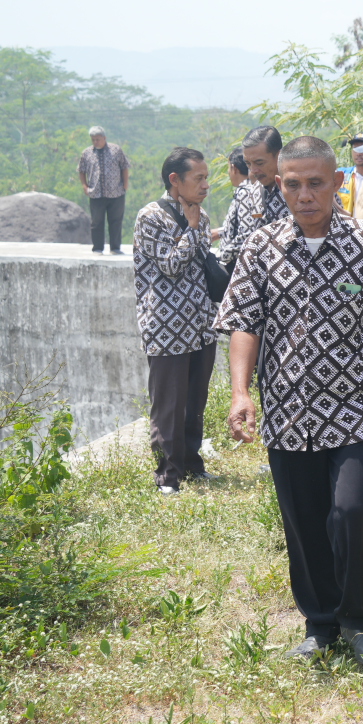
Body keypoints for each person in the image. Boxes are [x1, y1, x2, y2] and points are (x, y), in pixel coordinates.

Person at [217, 135, 363, 670]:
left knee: (351, 511)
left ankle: (360, 619)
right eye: (294, 184)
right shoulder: (259, 248)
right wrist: (241, 392)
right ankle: (320, 623)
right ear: (279, 185)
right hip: (288, 407)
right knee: (302, 519)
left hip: (356, 405)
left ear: (338, 183)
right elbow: (243, 324)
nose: (305, 194)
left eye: (316, 183)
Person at [133, 147, 218, 495]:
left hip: (201, 325)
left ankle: (192, 463)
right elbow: (169, 265)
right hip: (167, 327)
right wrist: (194, 230)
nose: (205, 185)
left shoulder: (201, 215)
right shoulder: (151, 217)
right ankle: (168, 474)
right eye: (198, 178)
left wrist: (197, 227)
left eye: (206, 177)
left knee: (195, 400)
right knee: (168, 403)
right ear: (175, 180)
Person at [220, 126, 288, 272]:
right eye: (248, 164)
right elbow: (247, 240)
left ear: (279, 156)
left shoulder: (302, 188)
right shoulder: (252, 192)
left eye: (259, 163)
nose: (253, 170)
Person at [78, 125, 130, 255]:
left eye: (98, 139)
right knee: (96, 222)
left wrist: (125, 185)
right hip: (96, 194)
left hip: (116, 193)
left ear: (104, 138)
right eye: (93, 139)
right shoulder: (86, 153)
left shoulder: (116, 150)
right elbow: (81, 170)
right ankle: (97, 248)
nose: (95, 142)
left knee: (116, 221)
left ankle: (115, 248)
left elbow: (124, 167)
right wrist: (85, 186)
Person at [212, 149, 249, 244]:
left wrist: (226, 254)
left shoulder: (245, 193)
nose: (228, 172)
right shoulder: (250, 190)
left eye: (228, 168)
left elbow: (246, 233)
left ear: (234, 168)